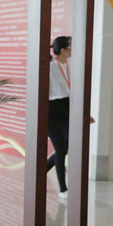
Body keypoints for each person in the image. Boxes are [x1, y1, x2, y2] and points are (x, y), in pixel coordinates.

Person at [47, 36, 72, 199]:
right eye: (71, 47)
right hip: (53, 112)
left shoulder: (69, 66)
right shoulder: (50, 67)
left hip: (67, 110)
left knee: (66, 148)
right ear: (63, 50)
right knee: (61, 149)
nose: (73, 49)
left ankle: (39, 173)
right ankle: (63, 189)